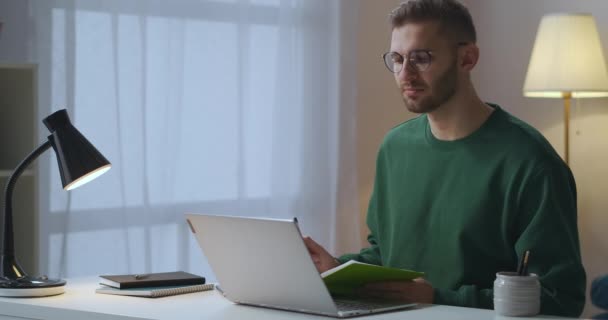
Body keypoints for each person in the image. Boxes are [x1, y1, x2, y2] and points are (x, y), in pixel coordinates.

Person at [303, 0, 586, 317]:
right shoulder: (395, 147)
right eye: (397, 59)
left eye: (421, 58)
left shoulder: (532, 163)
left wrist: (438, 297)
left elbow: (561, 297)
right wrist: (336, 269)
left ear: (468, 58)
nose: (405, 74)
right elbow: (387, 256)